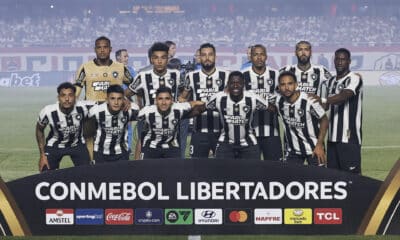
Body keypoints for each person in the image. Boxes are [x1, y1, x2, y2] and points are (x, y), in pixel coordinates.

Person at [74, 36, 134, 160]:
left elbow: (134, 85)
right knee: (89, 138)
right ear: (95, 49)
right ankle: (92, 163)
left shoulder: (120, 68)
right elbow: (77, 89)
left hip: (114, 111)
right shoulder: (85, 68)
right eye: (99, 47)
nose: (102, 50)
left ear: (110, 49)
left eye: (105, 47)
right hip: (92, 110)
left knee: (115, 141)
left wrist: (126, 98)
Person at [125, 42, 188, 158]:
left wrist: (182, 98)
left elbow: (185, 90)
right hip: (148, 122)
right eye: (156, 58)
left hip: (171, 123)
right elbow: (127, 93)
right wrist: (131, 103)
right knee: (142, 143)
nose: (159, 61)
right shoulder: (143, 76)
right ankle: (137, 172)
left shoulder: (176, 75)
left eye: (163, 58)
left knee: (176, 152)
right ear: (151, 60)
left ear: (168, 59)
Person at [180, 43, 230, 158]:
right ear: (199, 57)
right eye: (203, 55)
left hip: (221, 131)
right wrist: (192, 103)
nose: (207, 58)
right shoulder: (191, 76)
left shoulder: (226, 75)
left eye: (210, 55)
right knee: (197, 168)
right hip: (198, 131)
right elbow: (182, 98)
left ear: (215, 57)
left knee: (223, 168)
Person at [206, 71, 271, 160]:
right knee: (222, 173)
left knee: (252, 173)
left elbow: (272, 108)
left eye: (239, 83)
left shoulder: (253, 98)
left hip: (249, 144)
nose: (236, 86)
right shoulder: (219, 98)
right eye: (232, 83)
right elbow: (202, 108)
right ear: (228, 84)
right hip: (225, 143)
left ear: (243, 84)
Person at [35, 82, 93, 172]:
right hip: (55, 146)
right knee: (45, 172)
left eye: (70, 95)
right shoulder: (48, 111)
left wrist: (124, 100)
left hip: (77, 145)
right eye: (63, 95)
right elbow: (39, 130)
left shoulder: (83, 107)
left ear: (75, 97)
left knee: (88, 173)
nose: (67, 99)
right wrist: (42, 155)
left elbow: (105, 103)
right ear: (58, 98)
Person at [275, 71, 328, 166]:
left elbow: (324, 121)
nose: (287, 88)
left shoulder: (309, 101)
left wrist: (320, 145)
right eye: (283, 84)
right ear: (279, 87)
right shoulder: (278, 102)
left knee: (319, 179)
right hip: (293, 152)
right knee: (289, 179)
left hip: (314, 149)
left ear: (296, 85)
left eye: (290, 84)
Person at [324, 48, 363, 174]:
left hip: (349, 137)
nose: (340, 62)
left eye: (343, 59)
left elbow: (345, 95)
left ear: (349, 61)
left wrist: (323, 100)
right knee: (333, 179)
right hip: (331, 139)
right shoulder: (330, 82)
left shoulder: (354, 78)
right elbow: (324, 107)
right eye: (337, 59)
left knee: (353, 179)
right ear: (334, 61)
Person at [138, 87, 205, 159]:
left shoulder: (179, 108)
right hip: (150, 147)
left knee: (176, 169)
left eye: (167, 99)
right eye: (160, 99)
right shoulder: (146, 111)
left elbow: (200, 104)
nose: (164, 102)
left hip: (171, 147)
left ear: (172, 100)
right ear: (156, 101)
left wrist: (191, 108)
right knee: (145, 169)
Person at [241, 44, 282, 161]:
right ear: (251, 57)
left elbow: (283, 99)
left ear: (266, 56)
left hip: (272, 132)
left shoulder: (276, 75)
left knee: (275, 169)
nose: (259, 58)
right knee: (251, 171)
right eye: (255, 55)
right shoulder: (243, 76)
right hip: (249, 133)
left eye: (262, 54)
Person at [89, 85, 139, 163]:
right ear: (107, 100)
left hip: (121, 153)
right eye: (112, 98)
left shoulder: (130, 110)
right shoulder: (96, 111)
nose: (116, 102)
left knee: (123, 175)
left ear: (123, 100)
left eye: (119, 99)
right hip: (100, 153)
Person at [115, 48, 137, 155]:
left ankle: (128, 148)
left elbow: (136, 84)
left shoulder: (131, 70)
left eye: (127, 56)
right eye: (125, 56)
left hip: (127, 101)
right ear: (118, 57)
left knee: (128, 124)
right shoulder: (112, 70)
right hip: (114, 101)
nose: (127, 58)